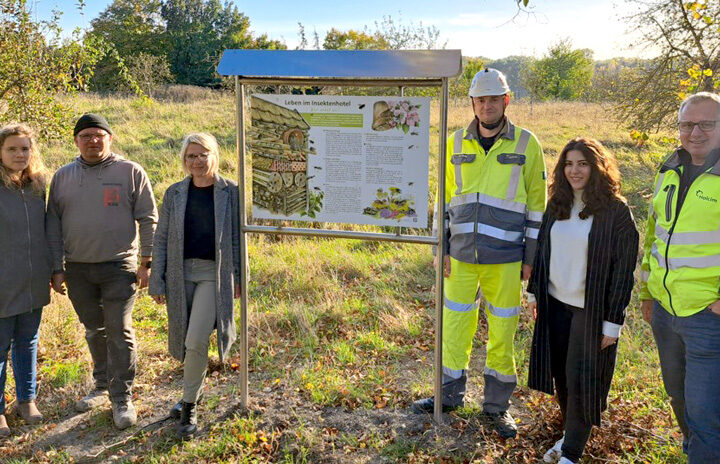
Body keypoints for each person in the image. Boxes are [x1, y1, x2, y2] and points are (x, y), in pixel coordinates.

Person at [413, 68, 547, 438]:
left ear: (506, 100)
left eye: (493, 99)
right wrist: (441, 246)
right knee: (453, 325)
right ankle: (449, 397)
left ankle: (496, 408)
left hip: (506, 258)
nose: (486, 106)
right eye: (480, 99)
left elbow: (538, 207)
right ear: (472, 102)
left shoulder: (526, 144)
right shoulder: (455, 143)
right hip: (459, 257)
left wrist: (531, 257)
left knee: (502, 331)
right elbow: (443, 200)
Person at [526, 138, 639, 464]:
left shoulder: (615, 212)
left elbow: (623, 271)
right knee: (561, 376)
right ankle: (568, 436)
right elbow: (543, 252)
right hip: (556, 305)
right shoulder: (557, 205)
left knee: (582, 382)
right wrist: (534, 292)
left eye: (583, 163)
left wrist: (613, 322)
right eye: (569, 164)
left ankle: (571, 454)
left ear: (597, 166)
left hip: (591, 312)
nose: (575, 170)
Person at [46, 114, 158, 429]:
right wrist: (57, 267)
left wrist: (146, 262)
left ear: (110, 138)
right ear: (76, 141)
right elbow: (52, 223)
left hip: (119, 266)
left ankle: (121, 397)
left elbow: (149, 217)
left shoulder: (130, 171)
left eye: (99, 135)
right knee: (94, 329)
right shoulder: (63, 176)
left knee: (119, 329)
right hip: (78, 268)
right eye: (86, 136)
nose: (93, 141)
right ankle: (101, 384)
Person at [638, 91, 720, 463]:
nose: (695, 132)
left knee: (705, 412)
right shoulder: (668, 170)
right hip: (666, 313)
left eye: (706, 124)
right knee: (678, 395)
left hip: (708, 314)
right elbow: (655, 234)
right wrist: (647, 292)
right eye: (687, 125)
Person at [149, 133, 240, 439]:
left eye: (203, 154)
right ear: (183, 161)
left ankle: (188, 407)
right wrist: (157, 278)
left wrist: (237, 278)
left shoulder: (231, 192)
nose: (198, 161)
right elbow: (161, 238)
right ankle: (194, 391)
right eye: (191, 156)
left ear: (216, 155)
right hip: (179, 273)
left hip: (213, 274)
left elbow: (239, 241)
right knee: (186, 341)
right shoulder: (174, 193)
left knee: (196, 339)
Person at [0, 124, 52, 437]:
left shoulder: (37, 186)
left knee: (27, 342)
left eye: (25, 148)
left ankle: (26, 400)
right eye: (12, 149)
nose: (20, 154)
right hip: (2, 281)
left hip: (33, 279)